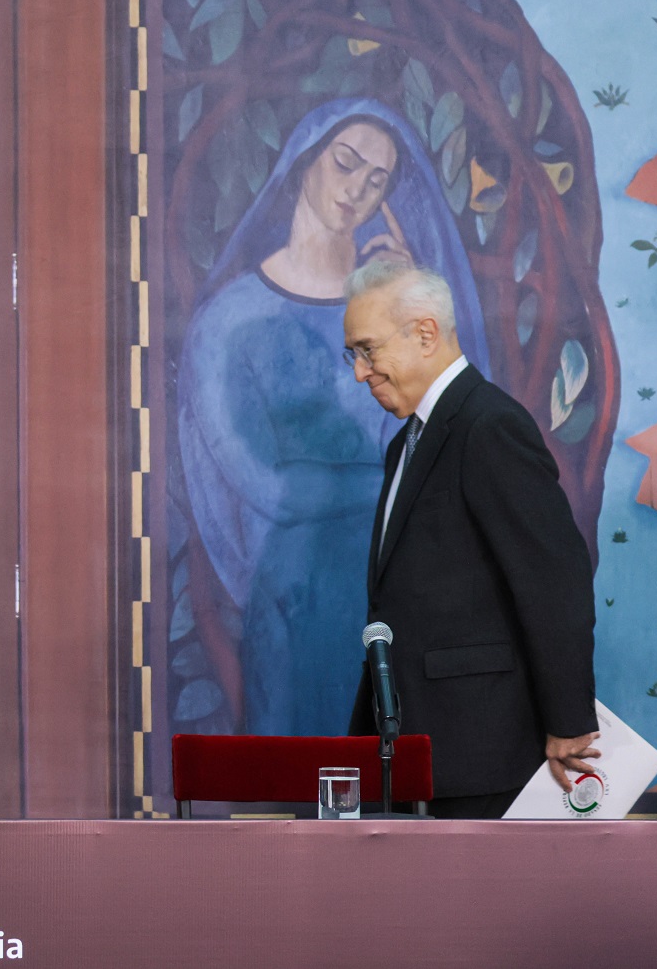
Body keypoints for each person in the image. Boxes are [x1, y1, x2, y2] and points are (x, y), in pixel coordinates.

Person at [176, 98, 488, 738]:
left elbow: (453, 439)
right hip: (299, 603)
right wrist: (397, 481)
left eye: (378, 180)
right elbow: (266, 484)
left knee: (407, 812)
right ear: (301, 163)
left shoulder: (399, 314)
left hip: (412, 599)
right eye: (345, 163)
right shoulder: (227, 322)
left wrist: (409, 310)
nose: (357, 190)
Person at [342, 259, 597, 818]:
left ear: (426, 333)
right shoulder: (405, 444)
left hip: (484, 748)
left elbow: (556, 579)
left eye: (367, 349)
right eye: (353, 354)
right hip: (421, 748)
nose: (360, 372)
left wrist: (569, 725)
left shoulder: (489, 427)